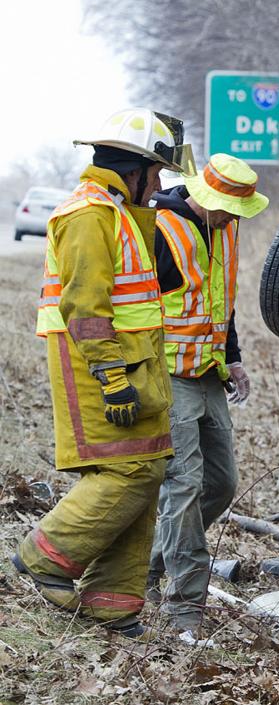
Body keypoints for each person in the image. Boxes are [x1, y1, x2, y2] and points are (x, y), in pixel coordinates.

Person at [12, 109, 194, 639]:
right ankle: (46, 555)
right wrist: (112, 376)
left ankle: (113, 602)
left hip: (137, 364)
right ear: (132, 169)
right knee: (127, 471)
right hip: (100, 367)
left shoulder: (119, 212)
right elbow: (85, 307)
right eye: (156, 173)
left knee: (148, 469)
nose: (159, 185)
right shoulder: (88, 214)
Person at [145, 153, 268, 640]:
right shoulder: (162, 229)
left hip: (210, 373)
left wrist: (233, 357)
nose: (234, 218)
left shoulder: (225, 229)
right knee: (184, 486)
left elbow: (220, 303)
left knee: (221, 483)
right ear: (205, 196)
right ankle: (185, 609)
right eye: (229, 209)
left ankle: (146, 566)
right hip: (168, 373)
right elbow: (133, 305)